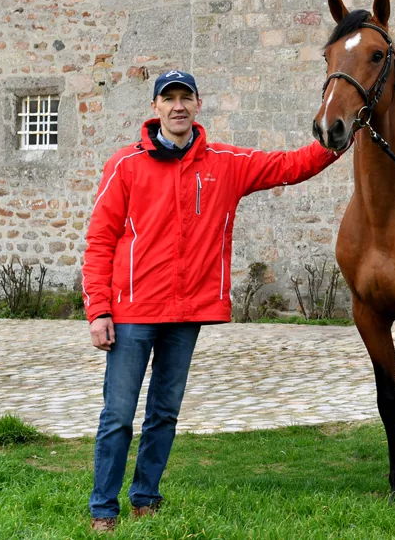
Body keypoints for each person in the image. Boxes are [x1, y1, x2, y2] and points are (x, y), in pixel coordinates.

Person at [81, 70, 342, 532]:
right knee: (119, 415)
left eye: (186, 98)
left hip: (186, 314)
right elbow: (100, 240)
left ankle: (145, 496)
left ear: (198, 105)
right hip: (132, 312)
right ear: (156, 108)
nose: (178, 106)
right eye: (169, 99)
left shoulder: (225, 163)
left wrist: (338, 139)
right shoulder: (125, 165)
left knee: (164, 412)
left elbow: (289, 165)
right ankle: (104, 508)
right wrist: (98, 309)